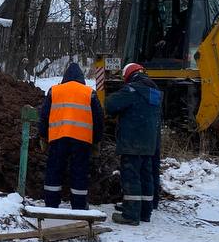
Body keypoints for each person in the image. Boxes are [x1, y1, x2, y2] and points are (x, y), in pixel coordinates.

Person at [38, 61, 106, 210]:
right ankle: (79, 206)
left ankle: (51, 204)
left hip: (57, 138)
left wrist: (43, 136)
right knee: (79, 172)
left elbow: (44, 116)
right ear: (81, 78)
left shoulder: (54, 91)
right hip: (82, 140)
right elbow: (99, 119)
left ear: (65, 78)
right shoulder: (89, 93)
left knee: (54, 171)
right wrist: (96, 140)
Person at [105, 62, 163, 225]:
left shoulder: (131, 89)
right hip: (150, 143)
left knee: (131, 176)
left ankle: (130, 214)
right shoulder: (155, 92)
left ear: (129, 76)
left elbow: (110, 105)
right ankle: (145, 212)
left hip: (132, 142)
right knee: (146, 176)